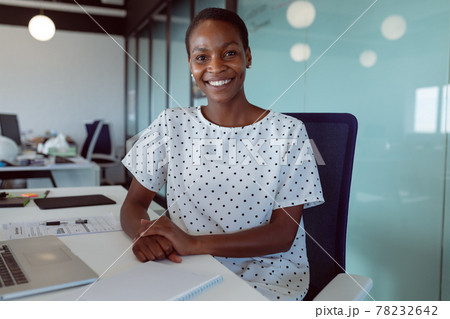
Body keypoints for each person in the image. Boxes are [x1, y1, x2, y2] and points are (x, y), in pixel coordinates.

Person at [120, 7, 324, 301]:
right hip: (183, 269)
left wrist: (194, 243)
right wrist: (144, 234)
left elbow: (283, 234)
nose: (215, 67)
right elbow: (133, 203)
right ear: (191, 65)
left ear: (248, 57)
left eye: (229, 53)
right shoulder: (170, 123)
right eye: (202, 57)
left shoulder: (289, 133)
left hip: (264, 281)